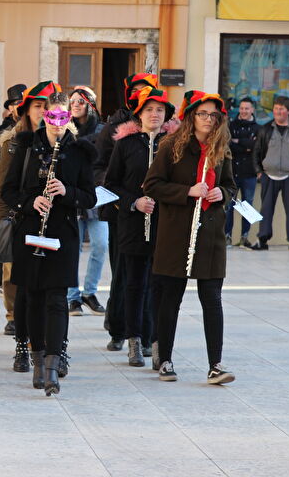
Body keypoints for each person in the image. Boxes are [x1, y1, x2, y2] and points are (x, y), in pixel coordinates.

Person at [0, 91, 97, 396]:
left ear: (70, 117)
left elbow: (89, 197)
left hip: (63, 233)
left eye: (63, 117)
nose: (57, 123)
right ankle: (37, 359)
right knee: (32, 296)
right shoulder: (26, 146)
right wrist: (32, 203)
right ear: (44, 116)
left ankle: (53, 366)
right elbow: (8, 191)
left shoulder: (81, 150)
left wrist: (66, 192)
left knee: (57, 298)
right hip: (30, 229)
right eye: (52, 116)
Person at [143, 90, 236, 385]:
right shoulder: (172, 146)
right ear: (191, 116)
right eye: (202, 114)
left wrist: (224, 193)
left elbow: (231, 186)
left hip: (210, 233)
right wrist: (186, 191)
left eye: (213, 115)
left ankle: (215, 365)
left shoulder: (222, 148)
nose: (208, 120)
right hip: (176, 232)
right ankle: (166, 360)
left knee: (212, 299)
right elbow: (152, 185)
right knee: (171, 298)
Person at [105, 86, 175, 368]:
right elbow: (110, 185)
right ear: (139, 114)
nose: (154, 115)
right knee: (134, 284)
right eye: (149, 110)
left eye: (160, 110)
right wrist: (134, 202)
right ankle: (133, 340)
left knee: (159, 286)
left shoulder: (173, 144)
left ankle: (154, 341)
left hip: (165, 225)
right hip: (133, 224)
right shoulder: (125, 145)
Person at [94, 73, 158, 352]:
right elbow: (100, 169)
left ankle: (147, 332)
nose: (140, 93)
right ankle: (118, 328)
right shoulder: (115, 128)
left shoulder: (166, 131)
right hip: (122, 212)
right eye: (136, 90)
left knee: (152, 277)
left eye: (146, 90)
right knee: (124, 273)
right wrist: (128, 196)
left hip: (156, 216)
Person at [0, 81, 54, 373]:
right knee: (24, 288)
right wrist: (8, 223)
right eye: (38, 106)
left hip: (55, 227)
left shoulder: (66, 141)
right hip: (22, 222)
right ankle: (23, 345)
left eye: (47, 106)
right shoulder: (14, 142)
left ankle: (52, 349)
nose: (43, 112)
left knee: (51, 290)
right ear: (27, 111)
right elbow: (6, 189)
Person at [0, 83, 26, 335]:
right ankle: (12, 314)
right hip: (8, 208)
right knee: (10, 266)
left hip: (35, 208)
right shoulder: (3, 136)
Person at [250, 96, 289, 252]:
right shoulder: (265, 129)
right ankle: (262, 240)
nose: (277, 112)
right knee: (265, 210)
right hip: (268, 176)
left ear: (288, 111)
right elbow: (256, 152)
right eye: (276, 108)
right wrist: (259, 172)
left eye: (281, 109)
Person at [66, 86, 108, 316]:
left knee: (101, 244)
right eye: (72, 101)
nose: (75, 105)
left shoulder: (102, 130)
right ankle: (72, 297)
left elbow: (107, 161)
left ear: (90, 105)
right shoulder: (64, 129)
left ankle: (89, 293)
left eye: (80, 101)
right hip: (72, 194)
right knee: (73, 247)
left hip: (97, 195)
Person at [225, 97, 259, 248]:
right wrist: (245, 145)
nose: (244, 111)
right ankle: (227, 236)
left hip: (249, 173)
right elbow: (229, 145)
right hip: (232, 172)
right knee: (229, 206)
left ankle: (244, 237)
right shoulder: (231, 126)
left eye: (247, 108)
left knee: (247, 206)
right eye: (242, 108)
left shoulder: (258, 128)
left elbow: (256, 147)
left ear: (252, 110)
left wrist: (239, 142)